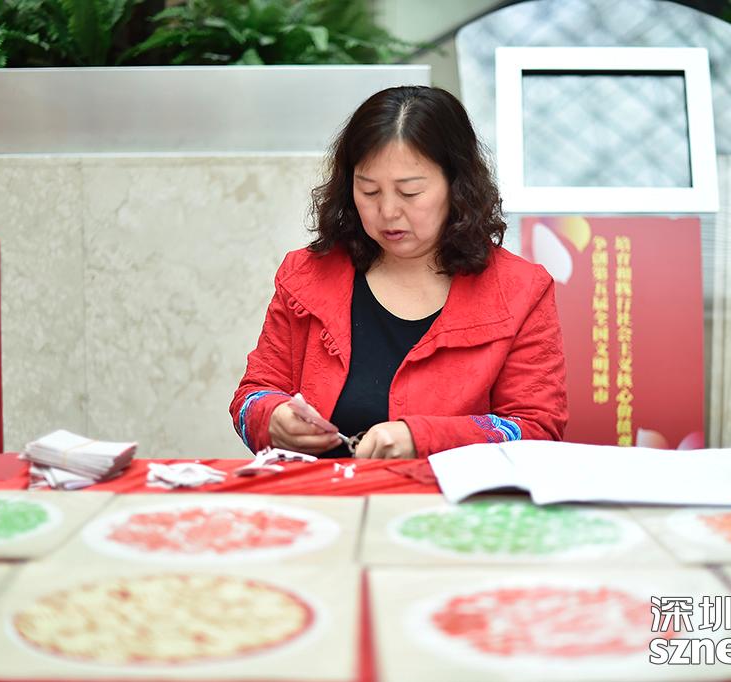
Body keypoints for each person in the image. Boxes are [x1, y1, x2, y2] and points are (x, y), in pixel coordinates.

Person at [230, 85, 566, 459]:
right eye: (369, 191)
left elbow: (537, 429)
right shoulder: (307, 275)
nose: (388, 211)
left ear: (457, 186)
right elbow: (251, 395)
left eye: (409, 193)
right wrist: (272, 416)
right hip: (320, 491)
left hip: (442, 496)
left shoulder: (521, 291)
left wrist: (422, 439)